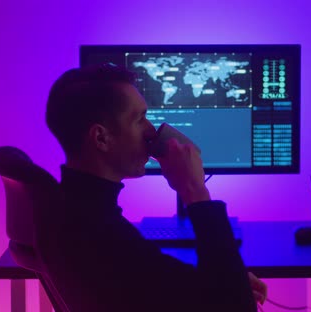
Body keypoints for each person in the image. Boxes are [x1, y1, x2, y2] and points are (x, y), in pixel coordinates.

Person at [36, 63, 267, 312]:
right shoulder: (100, 234)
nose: (150, 132)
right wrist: (196, 192)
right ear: (101, 138)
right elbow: (237, 308)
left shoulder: (72, 211)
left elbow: (155, 281)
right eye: (140, 119)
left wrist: (226, 281)